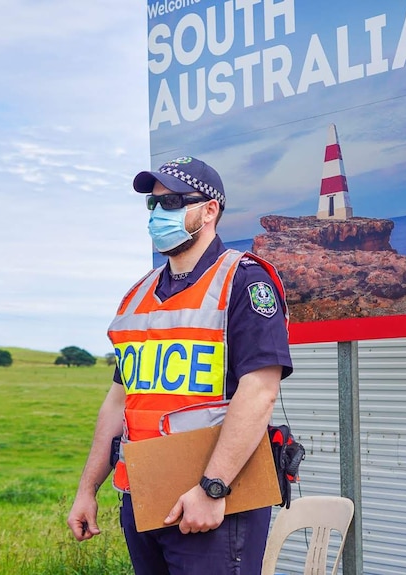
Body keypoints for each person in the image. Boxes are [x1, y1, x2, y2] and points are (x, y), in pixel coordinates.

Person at [67, 156, 293, 574]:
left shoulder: (244, 281)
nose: (157, 214)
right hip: (145, 498)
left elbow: (260, 390)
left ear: (210, 210)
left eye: (172, 203)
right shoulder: (138, 294)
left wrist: (213, 487)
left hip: (215, 506)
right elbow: (118, 401)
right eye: (152, 205)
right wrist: (87, 490)